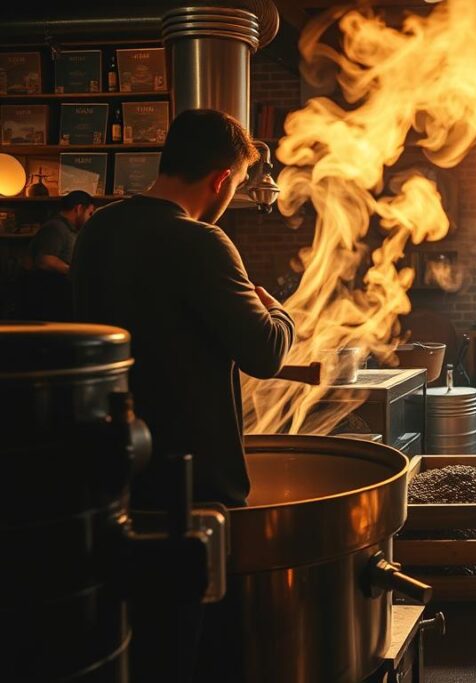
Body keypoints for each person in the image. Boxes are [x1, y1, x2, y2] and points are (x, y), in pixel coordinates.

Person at [71, 109, 295, 683]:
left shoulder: (97, 229)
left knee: (128, 643)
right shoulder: (202, 241)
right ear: (221, 179)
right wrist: (277, 310)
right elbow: (265, 353)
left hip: (110, 468)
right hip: (192, 486)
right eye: (240, 184)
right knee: (194, 649)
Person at [22, 190, 94, 319]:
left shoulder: (68, 229)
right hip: (48, 299)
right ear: (78, 209)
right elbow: (45, 260)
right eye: (89, 213)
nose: (90, 218)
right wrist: (75, 272)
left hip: (56, 296)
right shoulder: (56, 227)